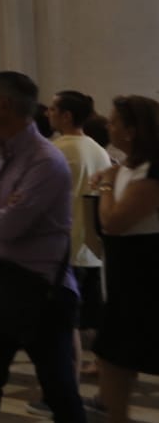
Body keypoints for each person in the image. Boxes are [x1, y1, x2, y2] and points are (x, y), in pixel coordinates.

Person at [0, 71, 85, 423]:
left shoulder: (46, 161)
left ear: (5, 104)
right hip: (0, 280)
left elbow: (9, 226)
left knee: (59, 388)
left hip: (40, 289)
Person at [90, 95, 159, 423]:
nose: (107, 125)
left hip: (145, 277)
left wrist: (106, 185)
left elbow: (113, 223)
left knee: (118, 356)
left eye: (114, 121)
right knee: (114, 358)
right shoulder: (128, 168)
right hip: (123, 276)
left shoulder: (153, 170)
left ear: (131, 131)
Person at [47, 89, 112, 381]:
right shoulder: (99, 150)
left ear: (66, 115)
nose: (48, 113)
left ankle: (65, 385)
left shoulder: (57, 149)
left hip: (65, 246)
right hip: (92, 248)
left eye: (52, 109)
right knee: (94, 316)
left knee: (64, 323)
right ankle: (104, 371)